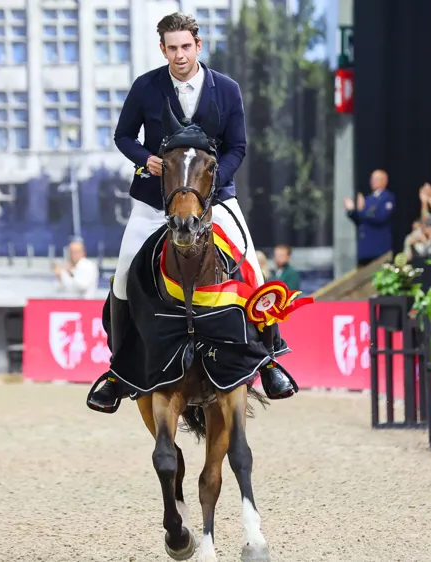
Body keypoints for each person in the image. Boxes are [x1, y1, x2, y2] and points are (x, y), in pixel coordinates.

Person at [86, 12, 295, 413]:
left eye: (186, 46)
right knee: (125, 272)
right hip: (154, 200)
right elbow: (122, 135)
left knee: (254, 267)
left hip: (215, 198)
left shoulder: (227, 89)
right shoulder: (146, 86)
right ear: (162, 49)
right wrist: (145, 160)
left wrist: (214, 185)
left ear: (198, 46)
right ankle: (117, 371)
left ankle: (269, 358)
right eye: (172, 48)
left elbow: (237, 147)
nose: (179, 55)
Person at [345, 169, 395, 269]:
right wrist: (352, 211)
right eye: (372, 179)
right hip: (365, 249)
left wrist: (362, 210)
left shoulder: (387, 197)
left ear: (385, 181)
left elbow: (381, 218)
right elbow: (360, 221)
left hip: (378, 248)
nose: (373, 181)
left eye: (376, 179)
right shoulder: (368, 199)